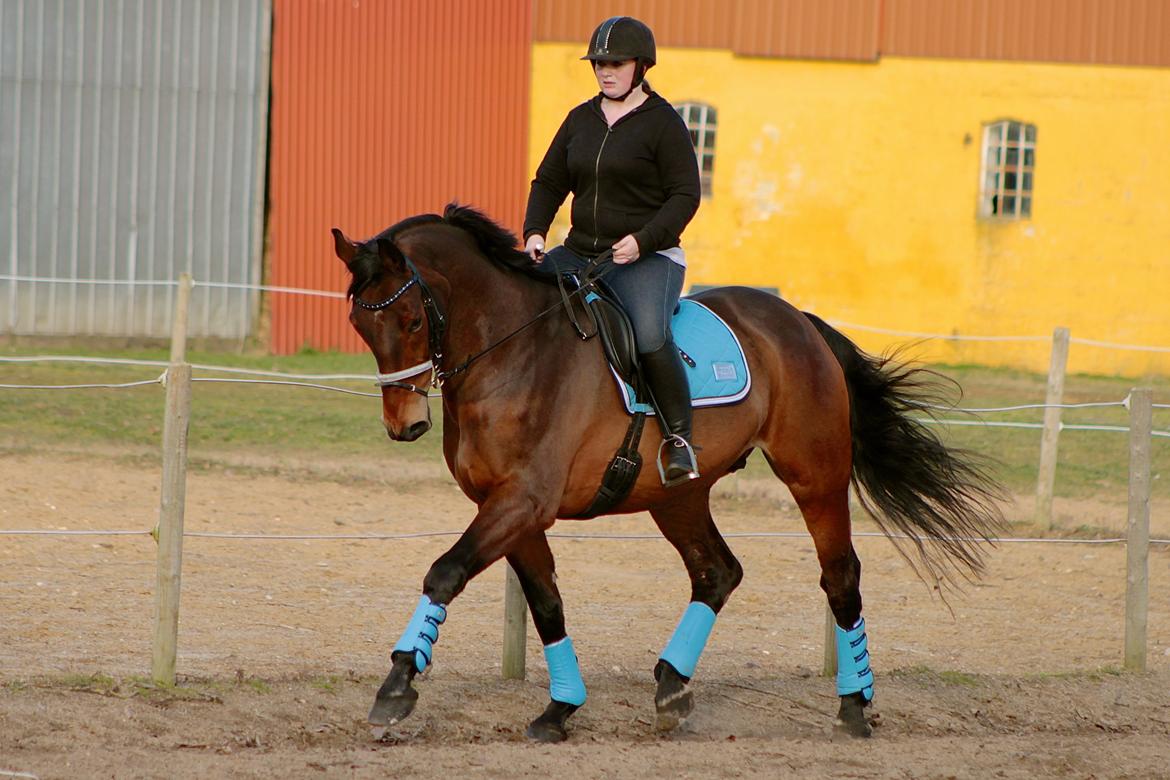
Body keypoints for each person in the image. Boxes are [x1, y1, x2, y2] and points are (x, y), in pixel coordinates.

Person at [522, 16, 702, 487]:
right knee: (524, 306)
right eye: (599, 63)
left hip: (649, 258)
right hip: (580, 252)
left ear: (641, 66)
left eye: (615, 63)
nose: (605, 71)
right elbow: (548, 182)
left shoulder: (664, 124)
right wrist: (535, 232)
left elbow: (686, 196)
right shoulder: (579, 120)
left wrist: (645, 240)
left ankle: (679, 438)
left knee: (647, 334)